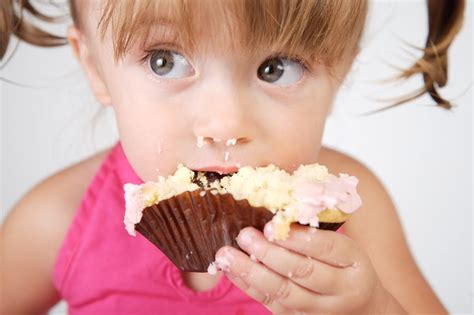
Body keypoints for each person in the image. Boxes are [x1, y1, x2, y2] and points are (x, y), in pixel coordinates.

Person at [0, 0, 465, 314]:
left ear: (340, 73)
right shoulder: (58, 222)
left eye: (276, 68)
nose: (225, 126)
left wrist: (373, 308)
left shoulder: (350, 213)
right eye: (164, 60)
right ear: (95, 68)